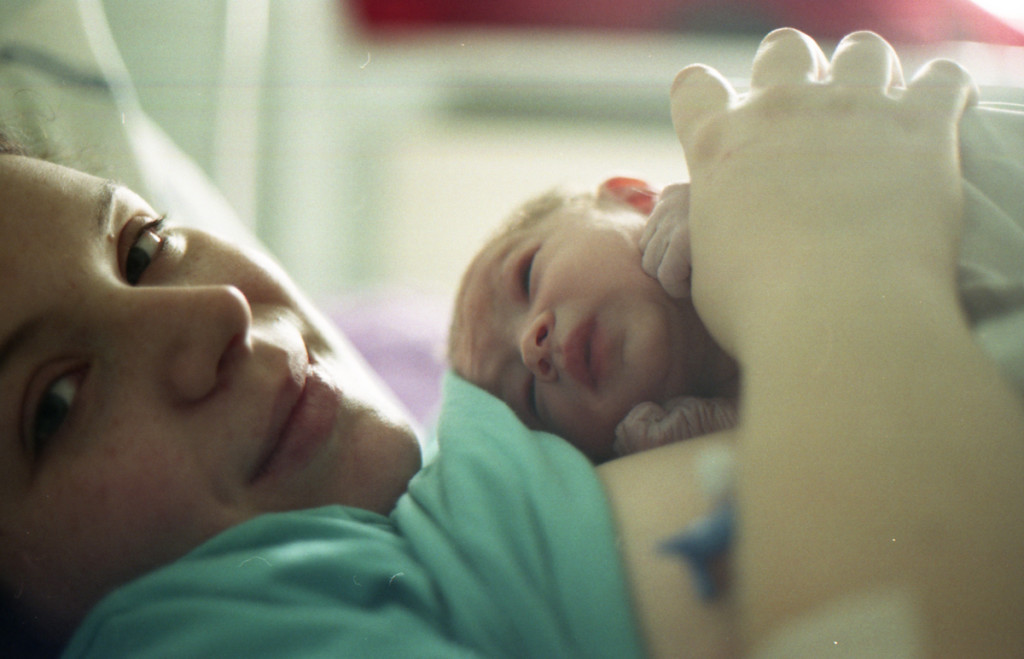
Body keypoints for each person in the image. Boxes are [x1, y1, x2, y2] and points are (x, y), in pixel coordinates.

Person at [1, 28, 1021, 659]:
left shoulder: (443, 505)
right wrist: (840, 268)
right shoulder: (190, 633)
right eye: (55, 401)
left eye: (145, 246)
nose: (212, 314)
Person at [447, 41, 1024, 464]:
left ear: (635, 198)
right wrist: (729, 432)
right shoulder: (725, 441)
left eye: (526, 277)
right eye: (528, 400)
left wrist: (722, 196)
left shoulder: (735, 174)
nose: (532, 349)